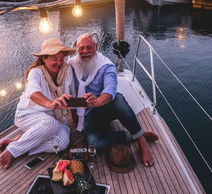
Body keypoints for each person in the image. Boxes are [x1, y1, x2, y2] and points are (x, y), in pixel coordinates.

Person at [68, 33, 159, 167]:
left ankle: (141, 140)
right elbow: (68, 90)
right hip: (88, 113)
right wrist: (75, 115)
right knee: (94, 143)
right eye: (82, 48)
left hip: (105, 106)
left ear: (96, 47)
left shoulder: (106, 65)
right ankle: (136, 134)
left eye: (89, 48)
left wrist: (97, 101)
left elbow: (109, 91)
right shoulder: (71, 64)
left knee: (118, 99)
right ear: (77, 48)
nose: (85, 52)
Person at [0, 38, 76, 169]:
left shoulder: (66, 71)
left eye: (61, 59)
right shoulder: (36, 72)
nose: (59, 63)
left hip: (53, 117)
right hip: (29, 114)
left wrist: (80, 108)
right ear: (44, 59)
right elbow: (32, 91)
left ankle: (19, 141)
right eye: (54, 58)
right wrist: (51, 104)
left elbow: (72, 95)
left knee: (62, 143)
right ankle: (13, 150)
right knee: (50, 125)